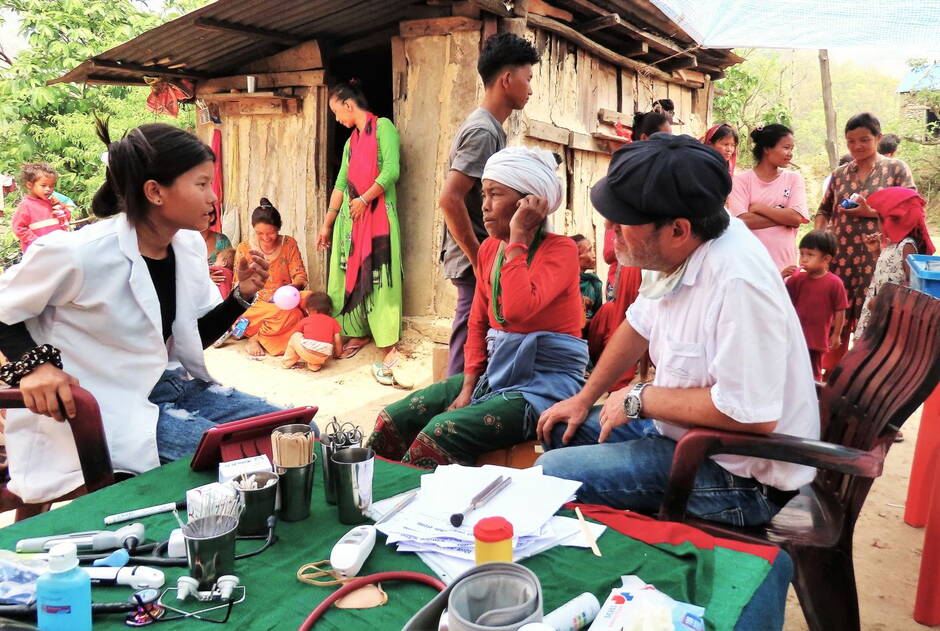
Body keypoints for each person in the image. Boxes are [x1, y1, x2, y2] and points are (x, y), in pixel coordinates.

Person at [535, 135, 819, 528]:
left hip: (739, 476)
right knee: (560, 430)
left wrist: (639, 397)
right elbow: (638, 325)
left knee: (550, 473)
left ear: (678, 229)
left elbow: (751, 415)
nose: (611, 228)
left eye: (623, 219)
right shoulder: (677, 250)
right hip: (686, 435)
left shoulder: (738, 282)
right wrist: (584, 399)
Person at [0, 123, 279, 504]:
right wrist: (35, 366)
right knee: (237, 471)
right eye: (200, 184)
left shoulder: (186, 247)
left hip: (169, 387)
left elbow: (192, 336)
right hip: (100, 408)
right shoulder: (79, 253)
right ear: (154, 192)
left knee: (294, 434)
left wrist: (241, 296)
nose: (213, 197)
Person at [368, 147, 587, 468]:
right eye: (483, 194)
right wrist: (468, 387)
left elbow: (516, 310)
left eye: (495, 194)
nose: (484, 205)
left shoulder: (562, 251)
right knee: (392, 419)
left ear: (529, 203)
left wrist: (519, 238)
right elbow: (478, 325)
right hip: (494, 376)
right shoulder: (489, 250)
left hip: (544, 386)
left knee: (440, 433)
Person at [439, 33, 540, 378]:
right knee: (471, 335)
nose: (530, 88)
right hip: (473, 257)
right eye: (527, 79)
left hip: (481, 252)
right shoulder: (483, 131)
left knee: (478, 334)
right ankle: (449, 414)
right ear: (507, 79)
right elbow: (449, 198)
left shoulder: (490, 128)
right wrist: (477, 258)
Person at [316, 80, 404, 386]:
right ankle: (357, 332)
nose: (337, 119)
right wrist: (327, 223)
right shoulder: (350, 143)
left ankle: (387, 344)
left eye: (336, 111)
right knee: (347, 279)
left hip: (377, 219)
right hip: (348, 222)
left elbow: (391, 171)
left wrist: (365, 199)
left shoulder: (384, 129)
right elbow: (341, 183)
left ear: (349, 105)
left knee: (380, 279)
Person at [815, 112, 915, 370]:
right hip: (840, 259)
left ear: (878, 138)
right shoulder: (839, 175)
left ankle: (863, 385)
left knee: (873, 324)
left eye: (864, 140)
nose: (857, 146)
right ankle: (830, 384)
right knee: (835, 321)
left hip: (878, 260)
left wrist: (868, 212)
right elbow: (824, 210)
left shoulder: (896, 169)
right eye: (851, 141)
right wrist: (819, 239)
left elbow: (910, 210)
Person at [229, 199, 308, 357]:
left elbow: (300, 277)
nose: (265, 238)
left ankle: (257, 336)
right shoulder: (244, 248)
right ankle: (259, 335)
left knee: (296, 314)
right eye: (259, 233)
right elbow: (238, 286)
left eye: (271, 233)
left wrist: (288, 290)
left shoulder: (289, 244)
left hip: (284, 303)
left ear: (279, 228)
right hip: (256, 306)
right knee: (240, 318)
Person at [855, 187, 935, 339]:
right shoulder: (892, 245)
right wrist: (876, 252)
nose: (877, 224)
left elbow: (912, 285)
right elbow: (889, 271)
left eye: (879, 218)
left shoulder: (907, 246)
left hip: (889, 317)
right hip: (877, 309)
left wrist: (884, 301)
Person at [727, 124, 808, 272]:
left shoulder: (794, 179)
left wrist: (759, 208)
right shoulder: (740, 181)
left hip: (786, 267)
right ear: (767, 149)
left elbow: (796, 218)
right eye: (786, 147)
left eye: (792, 149)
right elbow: (742, 222)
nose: (790, 153)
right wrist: (783, 215)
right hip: (750, 267)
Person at [784, 231, 848, 381]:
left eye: (810, 255)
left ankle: (813, 399)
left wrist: (836, 334)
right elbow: (784, 299)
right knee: (791, 369)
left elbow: (840, 309)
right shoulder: (797, 279)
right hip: (794, 335)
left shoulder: (834, 283)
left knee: (812, 373)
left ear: (826, 258)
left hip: (816, 338)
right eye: (802, 254)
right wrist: (782, 276)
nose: (804, 259)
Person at [12, 163, 71, 252]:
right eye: (43, 186)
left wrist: (60, 207)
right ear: (29, 185)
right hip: (38, 252)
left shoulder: (52, 203)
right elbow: (18, 228)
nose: (48, 189)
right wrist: (37, 242)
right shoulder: (26, 206)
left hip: (58, 248)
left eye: (51, 186)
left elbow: (67, 218)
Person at [282, 291, 343, 372]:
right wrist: (338, 354)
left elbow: (298, 334)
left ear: (308, 310)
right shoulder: (333, 321)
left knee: (295, 336)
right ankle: (314, 366)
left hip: (307, 352)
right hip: (323, 356)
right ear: (329, 310)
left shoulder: (305, 320)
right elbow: (337, 340)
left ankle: (287, 362)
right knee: (317, 348)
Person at [571, 234, 602, 325]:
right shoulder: (563, 283)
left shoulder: (594, 283)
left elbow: (598, 317)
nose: (594, 255)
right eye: (589, 250)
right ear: (576, 256)